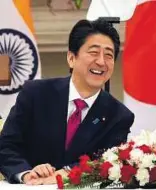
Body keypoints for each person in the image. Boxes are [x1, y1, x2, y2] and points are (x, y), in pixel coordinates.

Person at [0, 18, 134, 184]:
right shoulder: (35, 94)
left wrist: (66, 173)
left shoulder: (119, 116)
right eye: (93, 52)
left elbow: (107, 162)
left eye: (108, 55)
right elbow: (6, 146)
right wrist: (26, 173)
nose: (101, 62)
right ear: (71, 58)